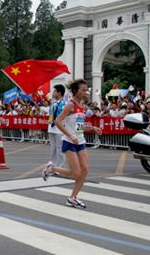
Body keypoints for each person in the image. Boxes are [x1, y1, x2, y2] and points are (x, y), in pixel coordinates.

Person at [42, 79, 102, 209]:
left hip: (80, 142)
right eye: (83, 90)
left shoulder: (82, 106)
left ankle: (72, 198)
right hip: (69, 142)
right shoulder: (70, 105)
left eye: (87, 89)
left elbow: (78, 127)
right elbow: (58, 121)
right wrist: (70, 135)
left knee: (85, 169)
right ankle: (52, 169)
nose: (86, 92)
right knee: (76, 173)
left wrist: (92, 128)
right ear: (76, 91)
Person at [48, 84, 66, 167]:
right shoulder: (53, 102)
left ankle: (60, 166)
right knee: (53, 148)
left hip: (59, 128)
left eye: (55, 91)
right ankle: (53, 165)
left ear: (59, 92)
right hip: (51, 127)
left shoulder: (64, 103)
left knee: (59, 148)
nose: (53, 92)